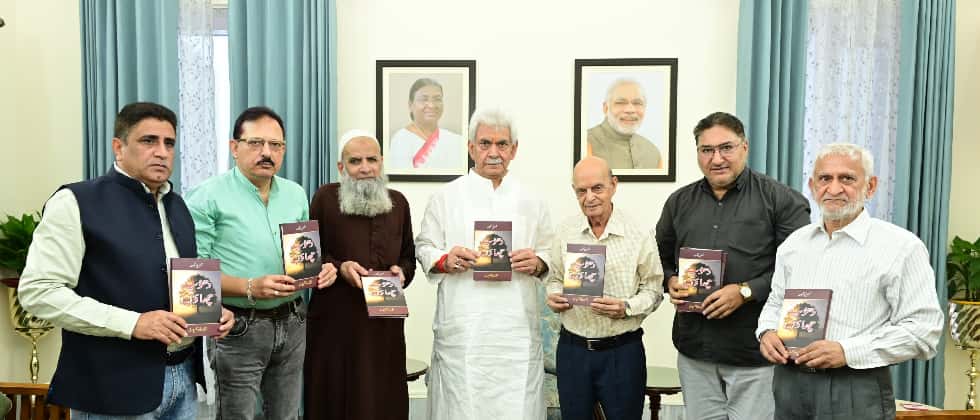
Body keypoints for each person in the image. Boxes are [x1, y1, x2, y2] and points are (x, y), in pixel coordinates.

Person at [18, 102, 234, 418]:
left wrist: (212, 311)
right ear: (118, 147)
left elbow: (181, 283)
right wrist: (133, 323)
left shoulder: (179, 207)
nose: (162, 152)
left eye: (169, 143)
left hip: (184, 381)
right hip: (112, 388)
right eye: (149, 141)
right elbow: (38, 291)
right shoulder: (75, 202)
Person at [757, 143, 943, 419]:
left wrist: (847, 351)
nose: (834, 189)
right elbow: (775, 303)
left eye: (847, 178)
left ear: (870, 186)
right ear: (812, 185)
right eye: (825, 179)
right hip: (789, 385)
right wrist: (767, 332)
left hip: (855, 387)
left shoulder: (901, 247)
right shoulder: (794, 245)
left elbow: (924, 331)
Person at [655, 111, 811, 420]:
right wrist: (670, 279)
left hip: (755, 354)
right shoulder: (679, 202)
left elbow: (801, 269)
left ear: (745, 147)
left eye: (726, 147)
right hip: (695, 350)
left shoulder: (781, 201)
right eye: (707, 150)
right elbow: (660, 257)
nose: (717, 158)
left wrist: (745, 291)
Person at [186, 106, 337, 419]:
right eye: (256, 143)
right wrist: (250, 287)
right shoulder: (206, 197)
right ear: (234, 147)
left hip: (294, 321)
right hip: (239, 325)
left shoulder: (295, 194)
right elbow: (192, 273)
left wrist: (320, 268)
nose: (267, 152)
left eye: (276, 145)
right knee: (237, 416)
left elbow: (302, 256)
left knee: (286, 415)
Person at [416, 108, 552, 420]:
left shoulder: (533, 199)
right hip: (464, 330)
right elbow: (424, 247)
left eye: (502, 144)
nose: (494, 153)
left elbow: (550, 251)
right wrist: (444, 259)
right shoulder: (445, 197)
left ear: (514, 149)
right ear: (470, 147)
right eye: (485, 143)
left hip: (515, 333)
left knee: (518, 408)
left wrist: (539, 261)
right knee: (460, 406)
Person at [304, 129, 416, 420]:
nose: (365, 168)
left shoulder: (399, 202)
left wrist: (400, 272)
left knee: (382, 398)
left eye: (371, 160)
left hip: (384, 325)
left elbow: (408, 257)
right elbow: (310, 254)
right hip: (336, 323)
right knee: (336, 397)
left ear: (381, 163)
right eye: (355, 161)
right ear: (341, 167)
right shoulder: (325, 199)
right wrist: (340, 267)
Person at [546, 157, 663, 420]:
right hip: (573, 350)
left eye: (597, 188)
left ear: (613, 185)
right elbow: (554, 278)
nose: (589, 197)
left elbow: (655, 291)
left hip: (622, 353)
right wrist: (553, 296)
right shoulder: (565, 231)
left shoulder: (639, 233)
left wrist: (626, 308)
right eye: (581, 190)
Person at [388, 78, 465, 170]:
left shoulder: (456, 141)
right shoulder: (400, 139)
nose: (431, 105)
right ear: (410, 105)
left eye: (437, 99)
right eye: (423, 99)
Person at [586, 78, 662, 169]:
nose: (630, 110)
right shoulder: (586, 142)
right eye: (620, 103)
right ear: (605, 108)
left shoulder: (653, 152)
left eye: (637, 103)